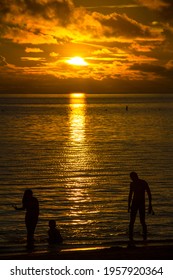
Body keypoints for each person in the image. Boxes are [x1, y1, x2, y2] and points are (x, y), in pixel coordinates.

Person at [128, 172, 153, 242]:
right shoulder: (132, 184)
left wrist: (150, 204)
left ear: (135, 176)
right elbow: (130, 195)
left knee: (141, 221)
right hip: (135, 203)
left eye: (132, 177)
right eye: (131, 177)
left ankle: (144, 235)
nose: (131, 179)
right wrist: (128, 205)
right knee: (132, 221)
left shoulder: (143, 182)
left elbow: (149, 193)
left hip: (140, 203)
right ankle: (131, 236)